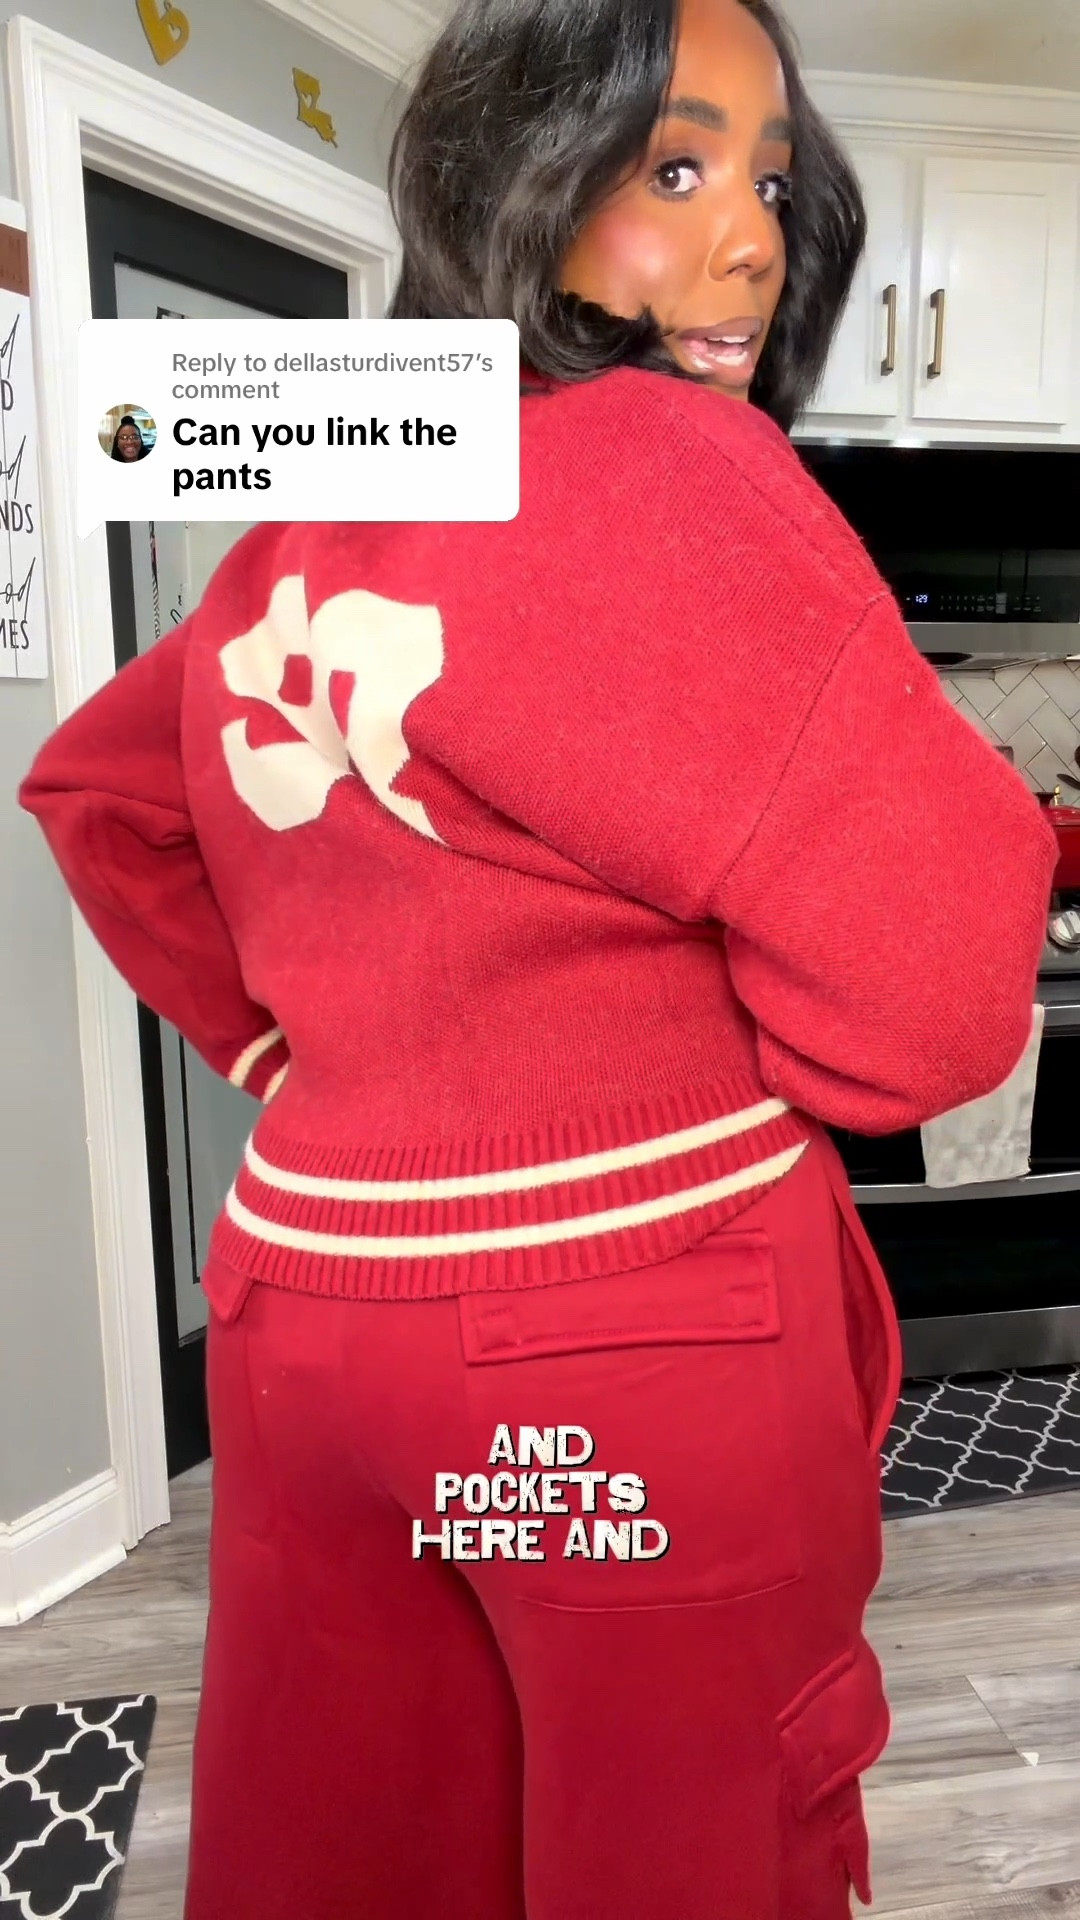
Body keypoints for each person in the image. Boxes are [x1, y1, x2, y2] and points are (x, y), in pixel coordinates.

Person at [20, 1, 1057, 1916]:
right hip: (611, 1337)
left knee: (364, 1844)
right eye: (674, 168)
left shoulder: (331, 498)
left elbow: (101, 791)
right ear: (524, 182)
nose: (747, 240)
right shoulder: (674, 463)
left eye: (770, 184)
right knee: (677, 1849)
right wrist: (747, 1043)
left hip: (308, 1329)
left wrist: (313, 1066)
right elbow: (933, 1000)